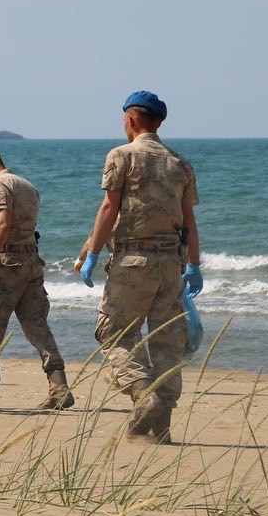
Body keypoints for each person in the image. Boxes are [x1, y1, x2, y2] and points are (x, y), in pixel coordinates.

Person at [78, 91, 201, 444]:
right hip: (171, 264)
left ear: (131, 120)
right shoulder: (180, 163)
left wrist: (92, 253)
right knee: (168, 342)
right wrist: (193, 265)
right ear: (159, 122)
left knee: (113, 333)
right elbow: (189, 220)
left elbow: (109, 208)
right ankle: (161, 426)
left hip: (133, 261)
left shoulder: (122, 155)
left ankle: (143, 395)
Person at [0, 145, 74, 410]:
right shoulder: (26, 185)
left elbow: (2, 223)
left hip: (9, 261)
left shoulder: (0, 185)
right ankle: (59, 386)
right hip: (31, 261)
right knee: (37, 325)